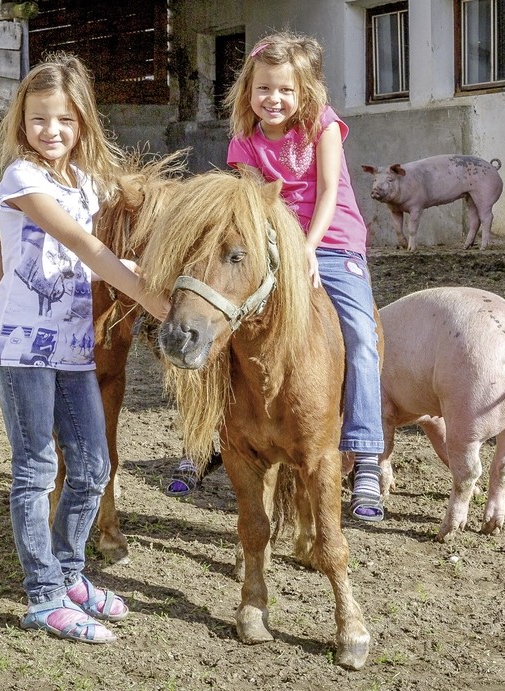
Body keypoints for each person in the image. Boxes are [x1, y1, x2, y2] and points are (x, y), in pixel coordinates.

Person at [0, 52, 171, 644]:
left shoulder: (85, 183)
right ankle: (43, 596)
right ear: (21, 123)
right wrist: (157, 302)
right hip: (23, 349)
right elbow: (87, 250)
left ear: (82, 123)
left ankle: (69, 575)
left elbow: (108, 243)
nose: (51, 131)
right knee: (37, 469)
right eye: (39, 120)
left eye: (64, 120)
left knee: (91, 468)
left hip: (72, 351)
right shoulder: (22, 180)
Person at [221, 31, 388, 522]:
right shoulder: (243, 143)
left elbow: (330, 191)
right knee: (224, 324)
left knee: (360, 336)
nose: (274, 100)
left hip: (331, 243)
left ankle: (364, 454)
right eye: (264, 89)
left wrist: (309, 249)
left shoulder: (323, 128)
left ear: (304, 92)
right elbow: (253, 208)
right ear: (248, 92)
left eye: (285, 90)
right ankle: (216, 434)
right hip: (274, 247)